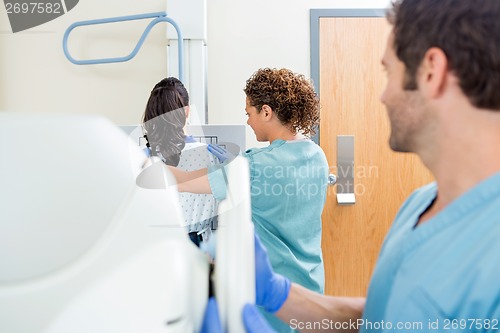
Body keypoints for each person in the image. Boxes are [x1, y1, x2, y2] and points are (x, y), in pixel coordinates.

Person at [203, 0, 500, 331]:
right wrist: (281, 296)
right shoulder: (417, 206)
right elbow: (389, 316)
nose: (383, 95)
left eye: (389, 72)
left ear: (432, 71)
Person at [170, 68, 329, 332]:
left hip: (271, 295)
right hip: (310, 291)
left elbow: (184, 180)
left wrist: (144, 163)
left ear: (266, 112)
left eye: (249, 113)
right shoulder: (317, 155)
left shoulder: (253, 166)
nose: (247, 121)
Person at [142, 77, 219, 247]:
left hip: (154, 245)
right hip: (199, 248)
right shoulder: (210, 156)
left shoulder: (142, 160)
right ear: (187, 111)